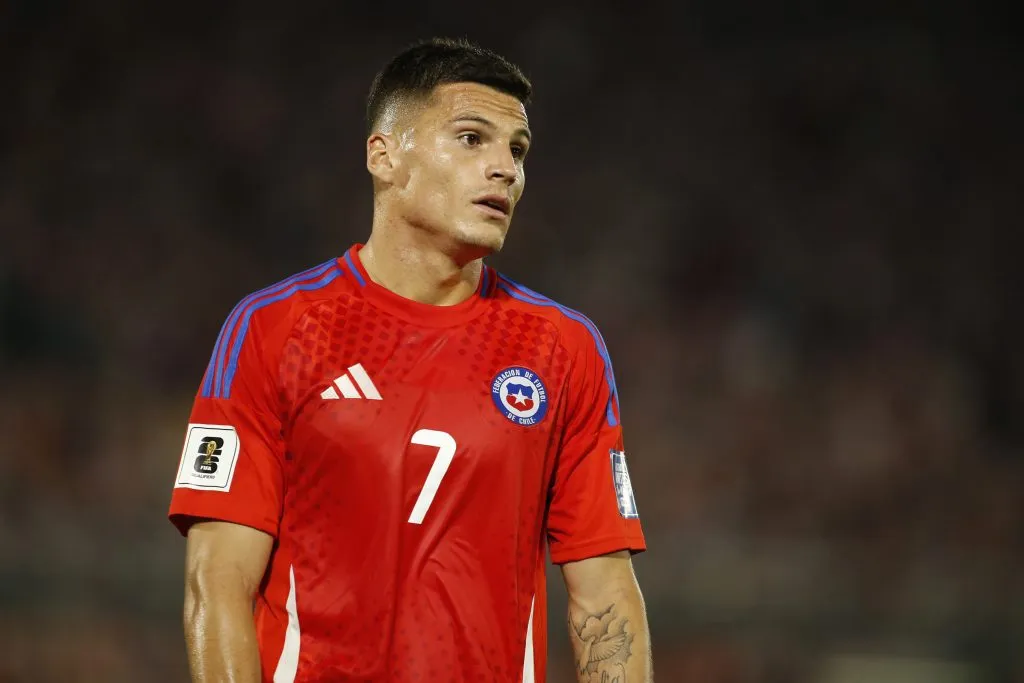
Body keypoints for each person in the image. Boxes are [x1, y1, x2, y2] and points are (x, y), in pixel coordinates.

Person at [168, 36, 652, 683]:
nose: (505, 168)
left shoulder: (564, 349)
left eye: (518, 149)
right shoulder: (273, 329)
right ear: (384, 155)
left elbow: (605, 592)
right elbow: (217, 581)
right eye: (473, 138)